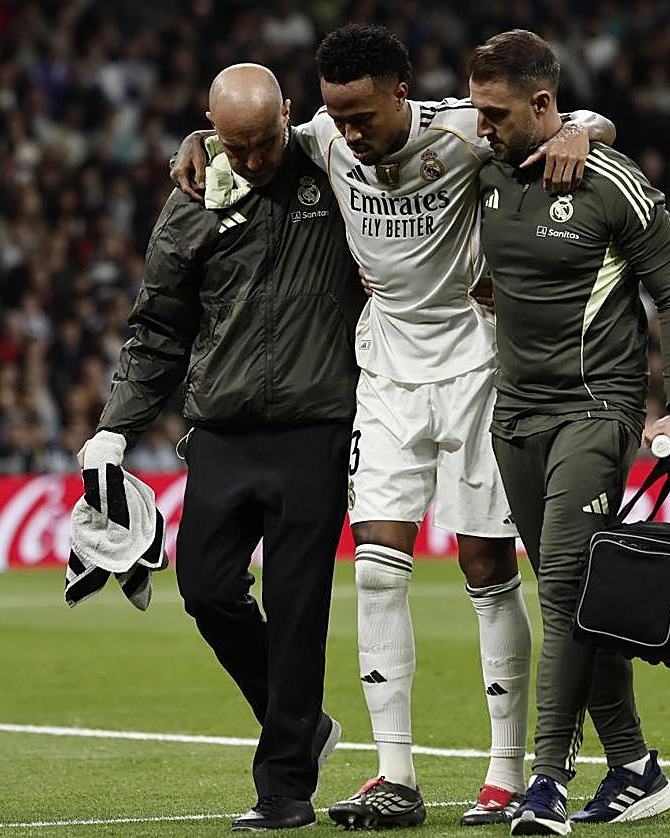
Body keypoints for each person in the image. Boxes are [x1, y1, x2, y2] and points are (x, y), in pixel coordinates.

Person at [171, 23, 617, 830]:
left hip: (476, 362)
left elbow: (571, 122)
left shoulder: (463, 132)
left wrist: (587, 130)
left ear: (401, 94)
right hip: (383, 369)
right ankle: (394, 776)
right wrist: (200, 137)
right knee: (377, 566)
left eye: (363, 116)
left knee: (485, 566)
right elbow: (251, 131)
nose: (349, 133)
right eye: (337, 117)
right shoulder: (319, 138)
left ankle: (504, 774)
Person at [81, 63, 365, 832]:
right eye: (233, 146)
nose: (251, 161)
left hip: (315, 428)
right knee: (205, 589)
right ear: (211, 129)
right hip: (222, 433)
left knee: (299, 610)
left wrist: (583, 126)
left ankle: (284, 792)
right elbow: (159, 329)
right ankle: (302, 725)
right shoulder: (192, 199)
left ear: (290, 119)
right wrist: (114, 428)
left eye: (263, 143)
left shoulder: (339, 172)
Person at [469, 30, 670, 835]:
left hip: (596, 411)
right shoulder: (484, 165)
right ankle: (636, 767)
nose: (483, 126)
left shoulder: (612, 183)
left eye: (496, 113)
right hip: (514, 419)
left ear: (543, 104)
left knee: (565, 587)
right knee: (581, 598)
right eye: (477, 112)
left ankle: (546, 785)